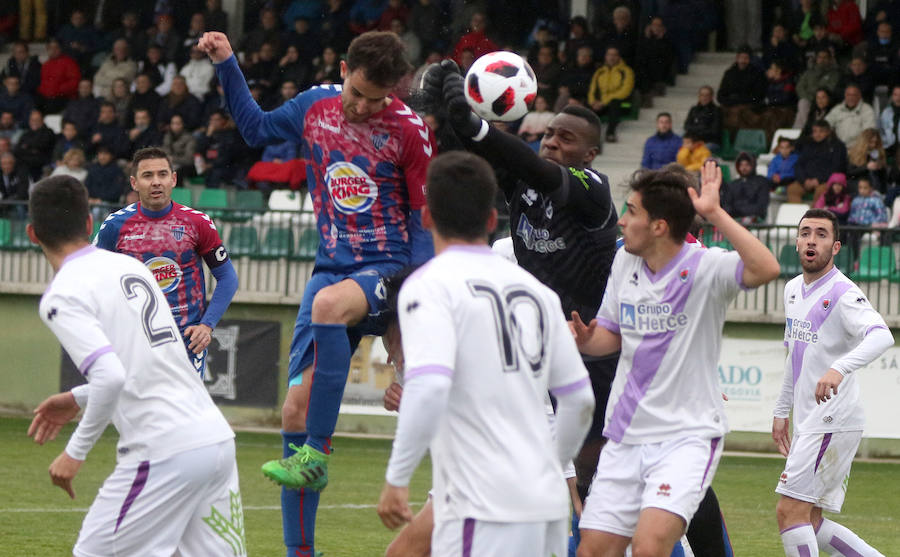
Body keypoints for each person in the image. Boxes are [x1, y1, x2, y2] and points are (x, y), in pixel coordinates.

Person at [198, 29, 434, 557]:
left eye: (378, 99)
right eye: (358, 93)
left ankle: (317, 455)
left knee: (332, 310)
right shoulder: (314, 106)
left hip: (389, 266)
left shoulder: (410, 131)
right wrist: (228, 63)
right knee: (293, 413)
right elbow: (256, 129)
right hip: (330, 268)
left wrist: (410, 309)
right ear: (344, 68)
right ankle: (300, 553)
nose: (364, 107)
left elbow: (423, 223)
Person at [376, 150, 595, 556]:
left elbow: (429, 388)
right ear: (492, 220)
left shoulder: (429, 286)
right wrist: (549, 468)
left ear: (426, 218)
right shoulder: (541, 295)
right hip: (541, 504)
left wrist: (397, 477)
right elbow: (579, 400)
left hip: (481, 499)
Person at [25, 174, 246, 556]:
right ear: (90, 222)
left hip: (162, 452)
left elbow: (110, 376)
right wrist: (79, 396)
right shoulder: (135, 270)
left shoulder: (62, 294)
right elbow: (154, 362)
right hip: (215, 441)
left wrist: (74, 452)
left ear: (32, 234)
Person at [572, 161, 780, 557]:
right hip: (625, 435)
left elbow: (766, 267)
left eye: (631, 212)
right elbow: (610, 334)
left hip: (685, 437)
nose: (620, 221)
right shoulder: (624, 263)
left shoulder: (705, 267)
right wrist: (585, 340)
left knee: (650, 547)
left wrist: (715, 212)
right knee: (592, 550)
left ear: (659, 226)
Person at [774, 208, 893, 557]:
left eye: (821, 234)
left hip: (832, 419)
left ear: (836, 246)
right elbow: (793, 355)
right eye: (805, 232)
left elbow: (881, 335)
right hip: (812, 420)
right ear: (796, 241)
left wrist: (839, 368)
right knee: (809, 521)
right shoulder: (792, 289)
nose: (812, 239)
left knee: (788, 512)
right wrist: (782, 410)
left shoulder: (843, 292)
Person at [94, 147, 239, 379]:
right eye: (147, 176)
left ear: (173, 179)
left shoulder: (197, 223)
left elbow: (228, 278)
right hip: (134, 342)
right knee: (136, 414)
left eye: (162, 174)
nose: (156, 182)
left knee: (185, 414)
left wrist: (207, 325)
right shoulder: (114, 225)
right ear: (134, 182)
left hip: (186, 342)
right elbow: (95, 280)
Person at [790, 120, 848, 203]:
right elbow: (799, 165)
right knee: (792, 189)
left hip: (825, 181)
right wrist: (804, 180)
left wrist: (819, 180)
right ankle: (797, 215)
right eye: (815, 131)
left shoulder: (837, 146)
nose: (817, 134)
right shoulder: (808, 144)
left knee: (821, 192)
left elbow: (836, 168)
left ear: (828, 132)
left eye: (821, 131)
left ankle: (813, 215)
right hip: (806, 181)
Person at [587, 46, 634, 143]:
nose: (611, 57)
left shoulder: (626, 71)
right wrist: (593, 102)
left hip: (623, 105)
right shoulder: (600, 71)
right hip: (602, 105)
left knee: (614, 102)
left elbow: (625, 91)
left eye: (614, 55)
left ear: (619, 57)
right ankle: (590, 138)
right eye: (609, 54)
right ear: (605, 57)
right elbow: (592, 90)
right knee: (588, 108)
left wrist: (604, 102)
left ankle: (610, 133)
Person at [722, 152, 770, 225]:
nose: (744, 168)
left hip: (754, 220)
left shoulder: (761, 182)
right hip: (734, 220)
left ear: (753, 166)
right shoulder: (732, 184)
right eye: (741, 165)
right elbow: (726, 205)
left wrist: (740, 211)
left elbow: (761, 206)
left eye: (747, 165)